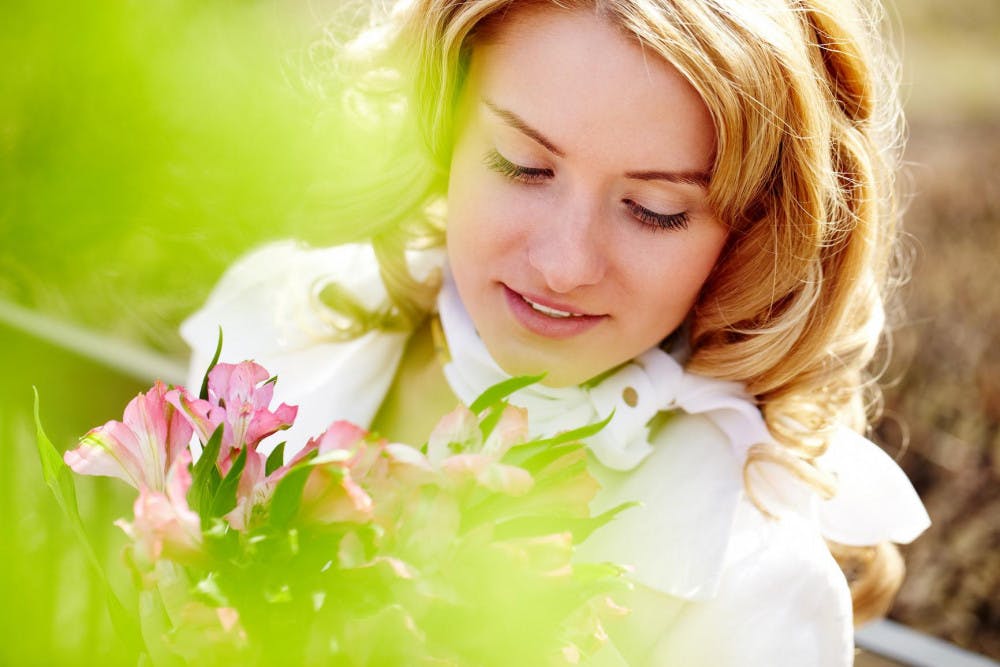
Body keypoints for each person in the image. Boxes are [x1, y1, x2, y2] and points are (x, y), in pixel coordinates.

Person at [181, 0, 931, 663]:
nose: (565, 265)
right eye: (522, 166)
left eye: (654, 209)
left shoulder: (754, 579)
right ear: (442, 121)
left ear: (753, 232)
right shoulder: (274, 315)